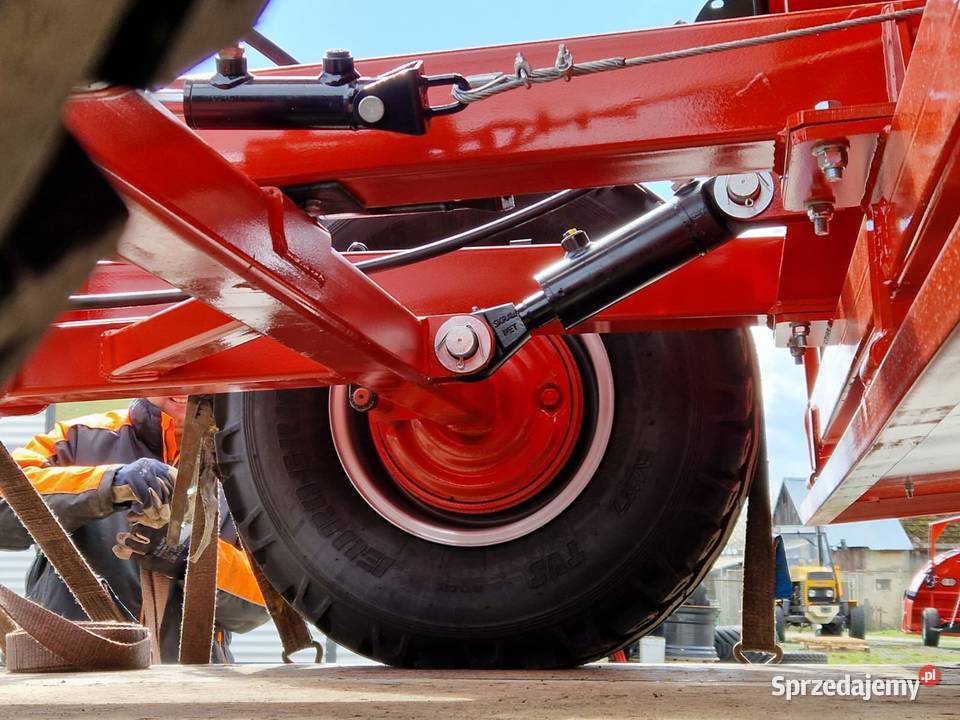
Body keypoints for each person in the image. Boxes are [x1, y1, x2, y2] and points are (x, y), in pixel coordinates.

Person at [0, 396, 269, 661]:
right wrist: (108, 485)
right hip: (70, 664)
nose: (184, 385)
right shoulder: (78, 439)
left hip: (189, 683)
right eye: (169, 364)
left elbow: (261, 603)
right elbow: (5, 505)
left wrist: (180, 550)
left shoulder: (250, 470)